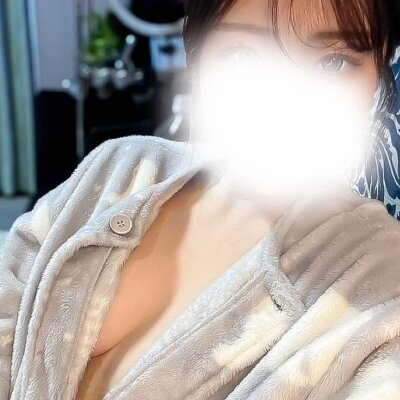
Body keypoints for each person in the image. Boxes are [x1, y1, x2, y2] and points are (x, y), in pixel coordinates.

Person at [1, 0, 400, 399]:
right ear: (197, 55)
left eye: (333, 62)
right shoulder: (118, 168)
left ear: (379, 70)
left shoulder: (378, 281)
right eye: (244, 56)